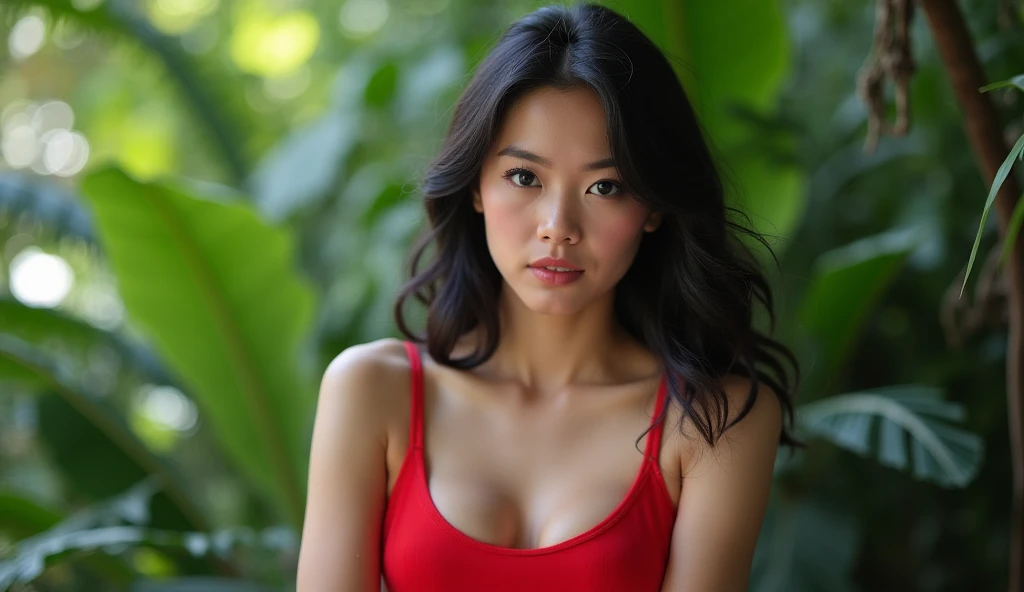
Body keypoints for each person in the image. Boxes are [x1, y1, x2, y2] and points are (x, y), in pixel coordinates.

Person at [297, 2, 803, 590]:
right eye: (525, 177)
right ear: (477, 186)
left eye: (605, 186)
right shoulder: (372, 390)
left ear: (654, 208)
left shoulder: (714, 421)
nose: (558, 225)